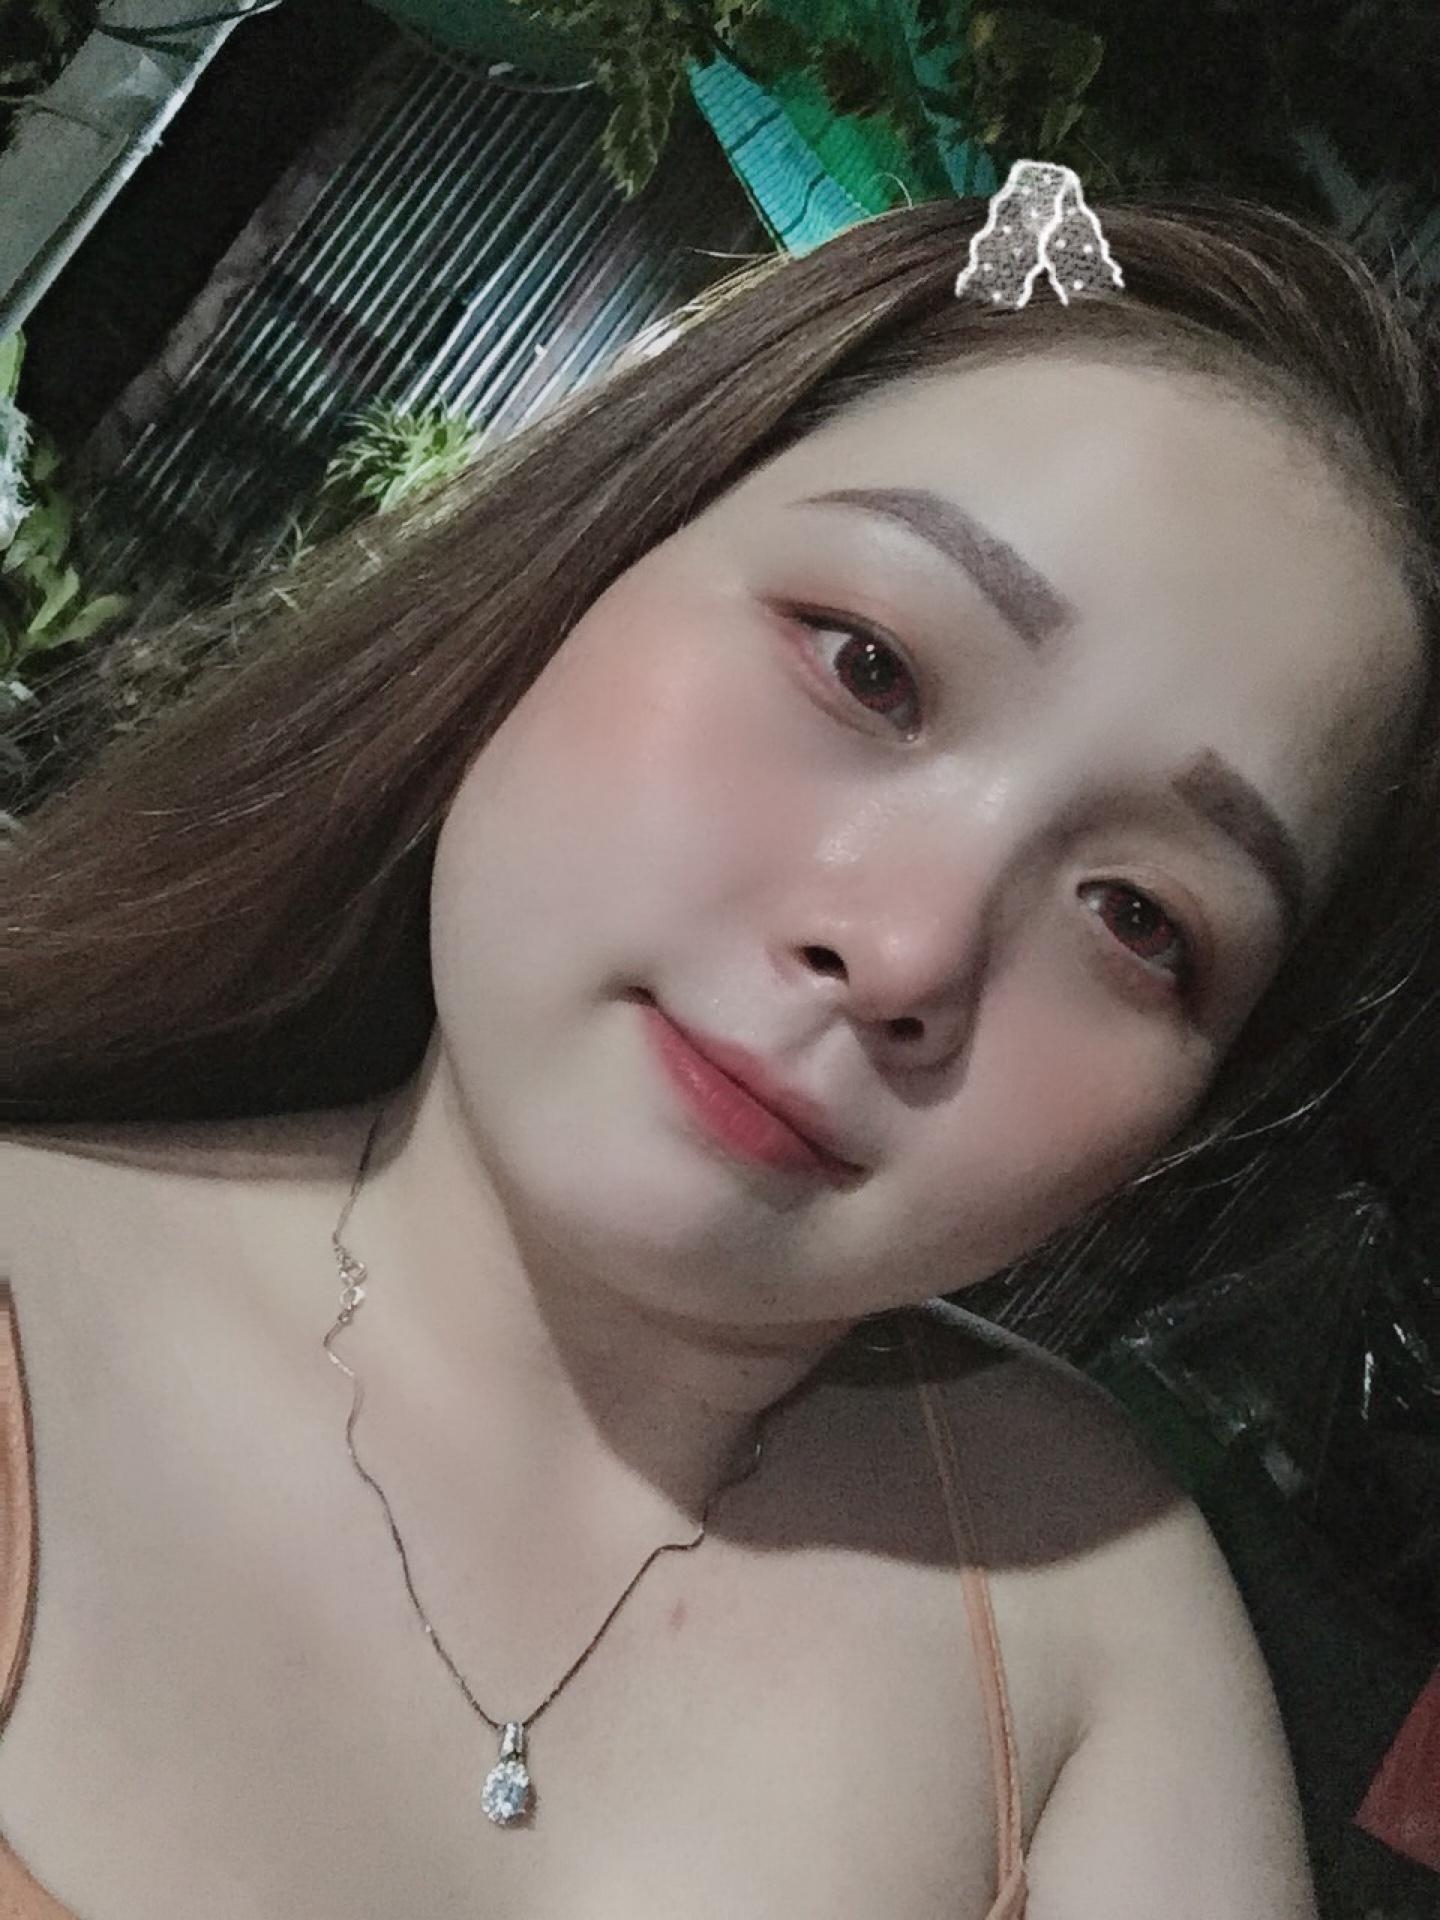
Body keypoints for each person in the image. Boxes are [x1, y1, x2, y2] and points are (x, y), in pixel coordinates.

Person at [1, 168, 1436, 1919]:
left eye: (1141, 919)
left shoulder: (1094, 1614)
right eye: (870, 668)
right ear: (588, 555)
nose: (905, 949)